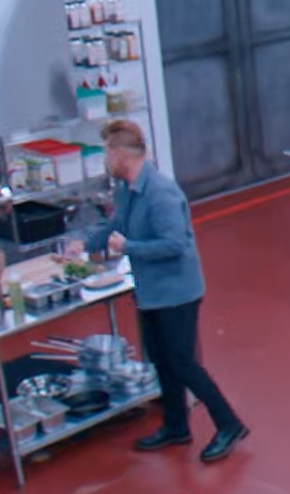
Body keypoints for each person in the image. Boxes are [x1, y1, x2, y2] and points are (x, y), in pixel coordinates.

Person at [73, 121, 249, 463]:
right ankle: (176, 426)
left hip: (177, 292)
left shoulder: (161, 193)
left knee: (183, 362)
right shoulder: (127, 189)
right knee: (160, 358)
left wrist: (129, 248)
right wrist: (85, 245)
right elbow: (116, 224)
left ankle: (229, 424)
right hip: (151, 291)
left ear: (122, 155)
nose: (105, 160)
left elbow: (175, 244)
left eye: (108, 153)